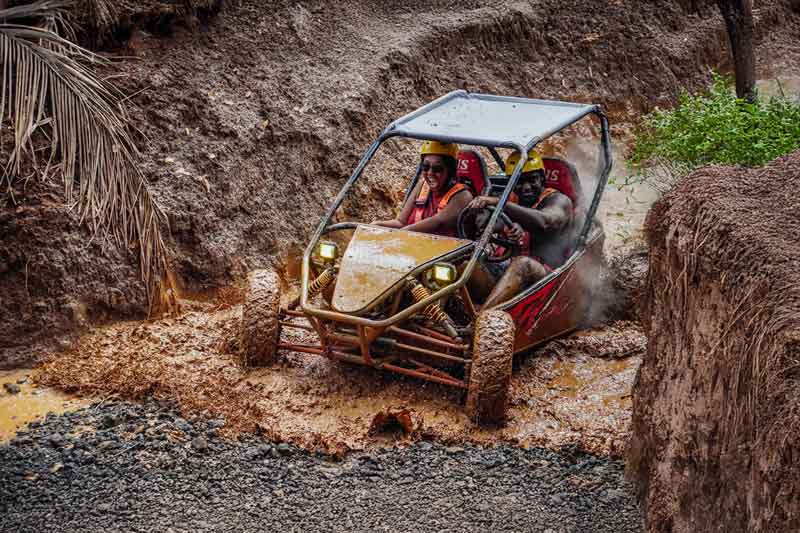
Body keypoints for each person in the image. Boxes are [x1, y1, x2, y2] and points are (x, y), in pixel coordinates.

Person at [467, 149, 574, 308]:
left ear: (543, 179)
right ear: (510, 181)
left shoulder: (559, 200)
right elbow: (484, 224)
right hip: (507, 272)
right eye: (519, 181)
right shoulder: (511, 198)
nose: (526, 187)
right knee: (464, 259)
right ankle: (440, 313)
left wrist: (499, 203)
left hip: (548, 277)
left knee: (523, 264)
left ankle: (481, 318)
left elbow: (546, 221)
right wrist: (504, 227)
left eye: (532, 180)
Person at [372, 140, 473, 237]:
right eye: (425, 167)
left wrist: (399, 234)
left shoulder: (462, 196)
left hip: (441, 251)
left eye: (437, 169)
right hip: (409, 243)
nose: (430, 173)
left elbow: (437, 222)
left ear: (450, 170)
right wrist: (379, 224)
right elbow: (400, 222)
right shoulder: (422, 186)